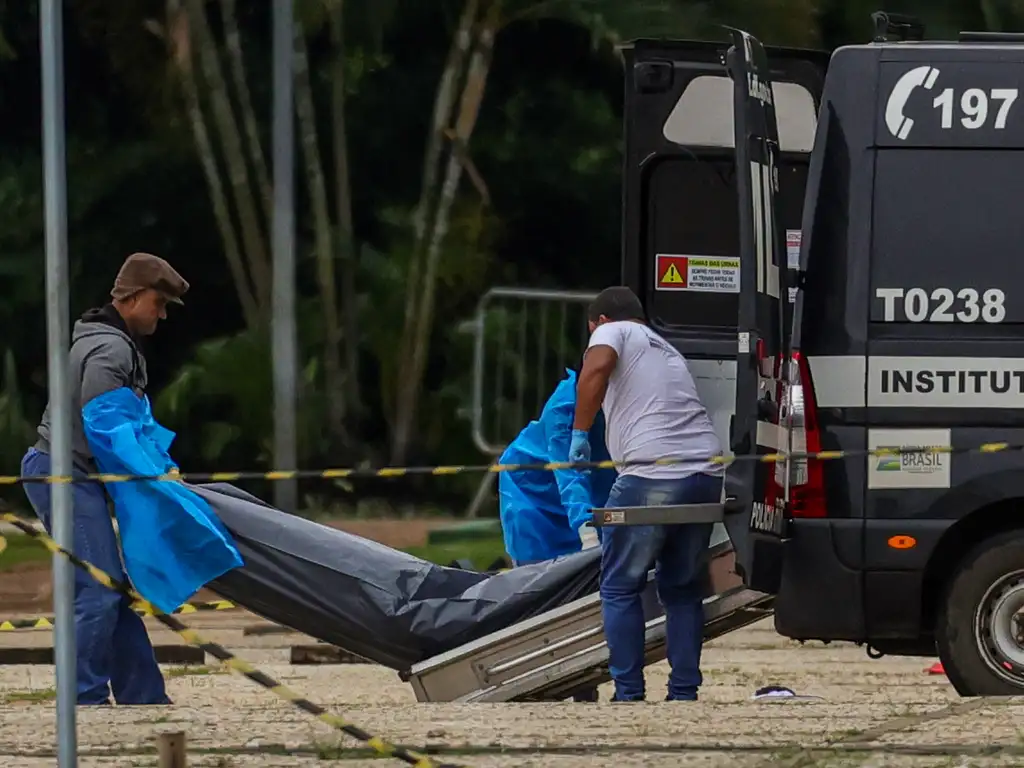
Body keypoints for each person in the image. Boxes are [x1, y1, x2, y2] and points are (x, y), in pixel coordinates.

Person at [21, 252, 189, 706]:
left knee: (108, 587)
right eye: (158, 302)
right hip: (62, 472)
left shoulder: (110, 341)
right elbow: (107, 427)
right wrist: (152, 476)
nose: (162, 313)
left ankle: (143, 695)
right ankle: (83, 701)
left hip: (70, 471)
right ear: (132, 298)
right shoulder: (110, 349)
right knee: (98, 589)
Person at [568, 286, 724, 702]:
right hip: (706, 474)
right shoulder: (665, 347)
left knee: (619, 585)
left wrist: (580, 432)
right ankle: (684, 693)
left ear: (600, 321)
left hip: (652, 474)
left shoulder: (611, 331)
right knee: (682, 588)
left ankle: (629, 693)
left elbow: (597, 368)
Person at [497, 368, 616, 567]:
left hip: (594, 489)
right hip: (532, 492)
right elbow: (568, 473)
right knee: (538, 576)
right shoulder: (562, 409)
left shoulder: (624, 397)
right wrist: (587, 532)